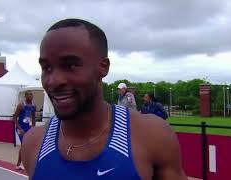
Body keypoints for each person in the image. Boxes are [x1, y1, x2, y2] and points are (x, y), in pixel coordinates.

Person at [21, 18, 187, 180]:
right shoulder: (33, 142)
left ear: (103, 67)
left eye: (70, 65)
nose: (54, 81)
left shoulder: (152, 135)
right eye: (46, 68)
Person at [13, 90, 36, 170]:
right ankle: (20, 164)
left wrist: (33, 127)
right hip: (20, 128)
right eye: (28, 95)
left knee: (27, 146)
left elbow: (33, 117)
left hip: (28, 127)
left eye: (31, 95)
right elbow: (14, 117)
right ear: (25, 96)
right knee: (24, 145)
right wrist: (20, 128)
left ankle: (19, 164)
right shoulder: (21, 105)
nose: (30, 96)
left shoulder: (33, 106)